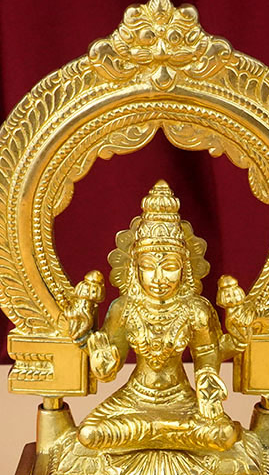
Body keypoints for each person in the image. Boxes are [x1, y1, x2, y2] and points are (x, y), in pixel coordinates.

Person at [76, 180, 239, 453]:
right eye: (149, 267)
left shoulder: (195, 310)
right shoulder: (123, 308)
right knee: (90, 433)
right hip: (134, 398)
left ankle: (156, 432)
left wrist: (208, 380)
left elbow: (206, 354)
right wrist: (103, 362)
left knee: (221, 434)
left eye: (170, 266)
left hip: (181, 400)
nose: (159, 278)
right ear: (134, 268)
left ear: (185, 268)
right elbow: (110, 367)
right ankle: (164, 433)